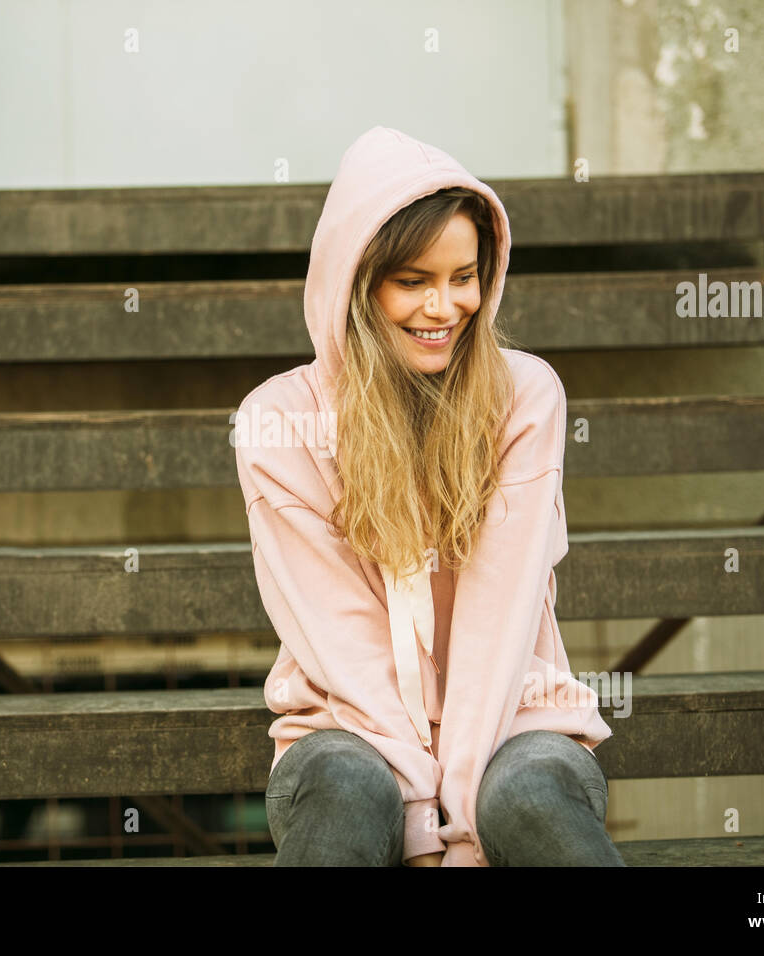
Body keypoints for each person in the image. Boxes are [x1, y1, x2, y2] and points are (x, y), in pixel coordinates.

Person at [233, 126, 626, 867]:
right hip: (344, 729)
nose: (444, 307)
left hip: (516, 720)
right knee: (351, 789)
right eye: (412, 281)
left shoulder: (523, 397)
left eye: (463, 277)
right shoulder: (278, 422)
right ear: (356, 282)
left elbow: (496, 618)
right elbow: (341, 640)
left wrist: (469, 833)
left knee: (530, 794)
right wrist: (420, 826)